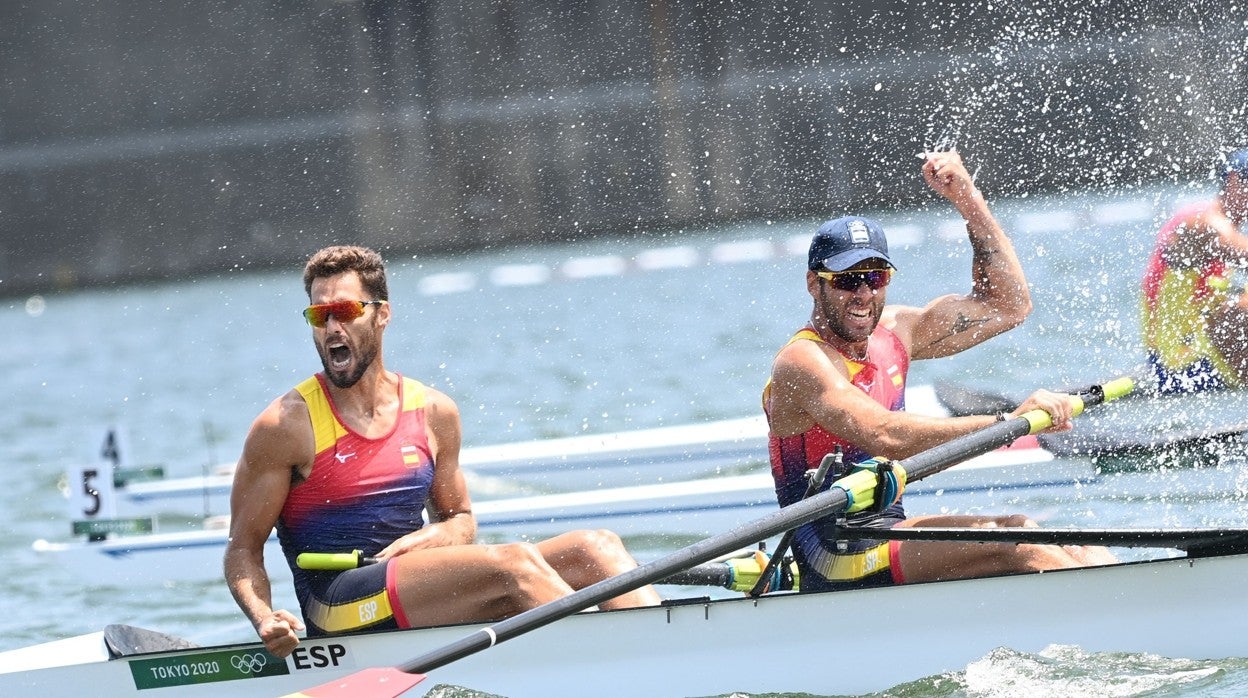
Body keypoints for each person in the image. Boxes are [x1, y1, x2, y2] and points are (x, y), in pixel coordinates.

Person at [224, 245, 660, 658]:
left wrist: (441, 535)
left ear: (382, 315)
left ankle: (665, 654)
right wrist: (265, 618)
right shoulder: (284, 425)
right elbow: (242, 548)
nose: (331, 328)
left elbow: (461, 520)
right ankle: (622, 666)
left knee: (594, 547)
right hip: (336, 604)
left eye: (345, 311)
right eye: (319, 315)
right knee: (513, 564)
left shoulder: (433, 411)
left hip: (414, 586)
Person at [762, 149, 1117, 594]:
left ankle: (1129, 619)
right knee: (1019, 539)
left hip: (887, 529)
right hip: (832, 552)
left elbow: (1009, 305)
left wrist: (967, 198)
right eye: (847, 281)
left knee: (1080, 546)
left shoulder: (896, 334)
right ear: (815, 284)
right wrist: (1010, 424)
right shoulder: (801, 361)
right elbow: (885, 435)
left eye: (875, 278)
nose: (863, 294)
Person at [1141, 148, 1248, 394]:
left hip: (1213, 356)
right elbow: (1233, 246)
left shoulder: (1229, 227)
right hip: (1179, 365)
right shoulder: (1198, 221)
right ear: (1233, 181)